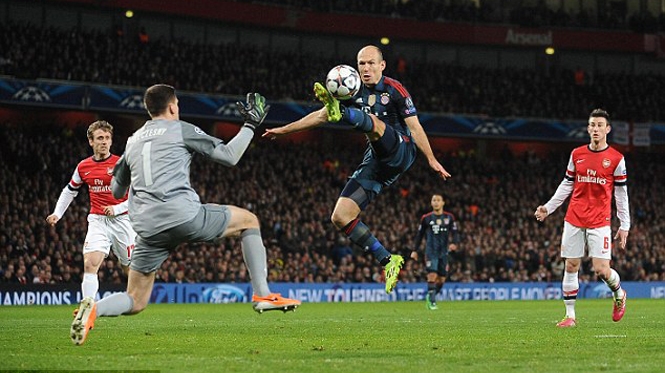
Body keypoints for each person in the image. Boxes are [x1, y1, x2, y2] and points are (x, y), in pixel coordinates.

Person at [70, 84, 300, 345]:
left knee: (135, 299)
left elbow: (116, 189)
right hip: (182, 215)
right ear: (172, 106)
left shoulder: (133, 141)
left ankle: (94, 309)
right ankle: (263, 294)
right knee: (249, 221)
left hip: (147, 228)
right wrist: (250, 124)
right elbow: (229, 156)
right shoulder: (180, 129)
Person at [264, 45, 450, 294]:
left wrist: (431, 158)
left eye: (371, 63)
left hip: (401, 151)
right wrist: (284, 130)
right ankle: (388, 260)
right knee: (340, 216)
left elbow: (415, 128)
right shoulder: (353, 89)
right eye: (361, 63)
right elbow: (319, 117)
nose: (366, 68)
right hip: (376, 161)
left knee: (373, 123)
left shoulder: (395, 90)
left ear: (382, 66)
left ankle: (341, 112)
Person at [534, 108, 629, 328]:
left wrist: (625, 225)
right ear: (588, 128)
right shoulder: (577, 154)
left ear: (607, 129)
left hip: (600, 221)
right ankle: (570, 316)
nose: (595, 129)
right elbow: (567, 184)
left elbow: (621, 194)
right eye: (592, 125)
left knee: (601, 269)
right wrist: (548, 208)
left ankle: (619, 294)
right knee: (571, 265)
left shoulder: (616, 159)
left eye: (599, 125)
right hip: (574, 217)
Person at [46, 120, 135, 304]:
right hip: (98, 220)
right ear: (91, 142)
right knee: (90, 263)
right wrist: (57, 213)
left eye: (107, 138)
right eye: (100, 138)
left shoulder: (122, 165)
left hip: (123, 221)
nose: (104, 142)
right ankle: (87, 306)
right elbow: (70, 190)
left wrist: (117, 208)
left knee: (129, 267)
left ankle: (137, 298)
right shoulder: (83, 166)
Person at [410, 194, 459, 310]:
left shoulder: (449, 217)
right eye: (434, 200)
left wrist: (454, 243)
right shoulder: (426, 218)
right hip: (431, 251)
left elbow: (455, 233)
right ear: (431, 203)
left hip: (444, 251)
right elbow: (419, 235)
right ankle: (432, 302)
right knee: (432, 275)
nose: (436, 202)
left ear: (443, 203)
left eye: (438, 200)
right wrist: (415, 250)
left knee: (442, 278)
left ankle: (431, 295)